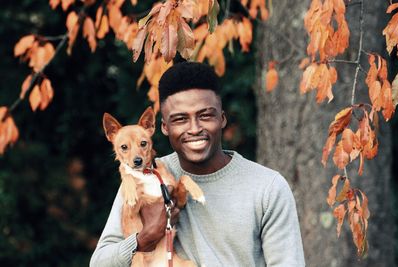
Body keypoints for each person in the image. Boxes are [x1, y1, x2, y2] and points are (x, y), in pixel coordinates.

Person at [90, 62, 305, 266]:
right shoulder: (144, 177)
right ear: (164, 127)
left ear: (222, 118)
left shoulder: (267, 187)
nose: (194, 128)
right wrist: (145, 238)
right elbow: (99, 262)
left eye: (205, 115)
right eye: (181, 119)